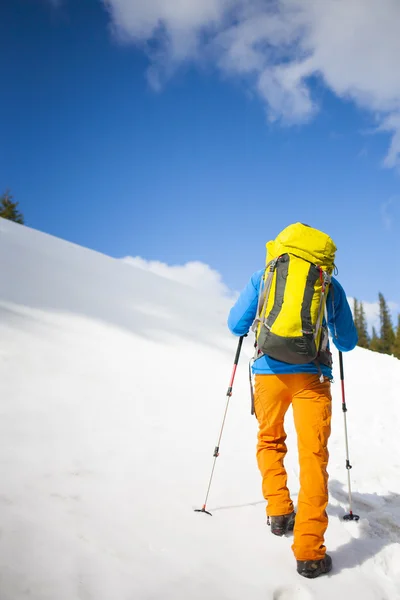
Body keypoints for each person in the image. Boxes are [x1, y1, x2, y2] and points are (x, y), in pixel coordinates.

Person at [227, 225, 357, 579]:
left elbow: (235, 324)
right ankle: (309, 553)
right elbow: (347, 341)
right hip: (312, 378)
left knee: (270, 440)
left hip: (268, 376)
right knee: (313, 458)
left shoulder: (264, 275)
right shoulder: (327, 282)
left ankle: (280, 510)